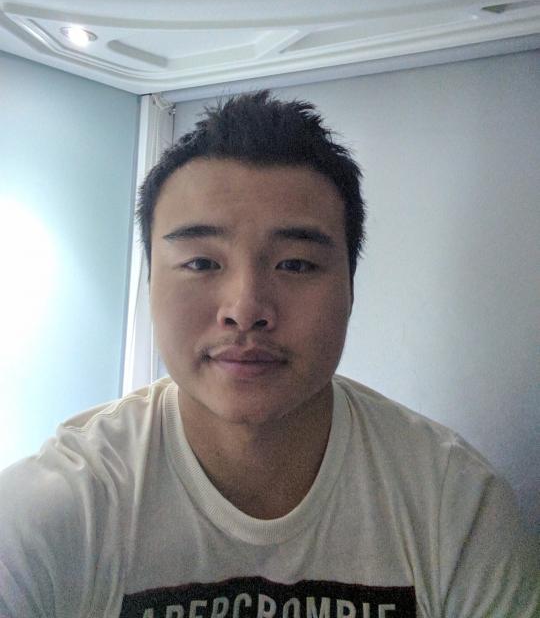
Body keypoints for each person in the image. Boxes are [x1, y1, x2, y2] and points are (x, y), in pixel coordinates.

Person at [0, 91, 537, 618]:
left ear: (351, 289)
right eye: (201, 263)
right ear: (149, 286)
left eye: (296, 264)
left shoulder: (454, 503)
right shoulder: (60, 508)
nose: (245, 309)